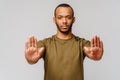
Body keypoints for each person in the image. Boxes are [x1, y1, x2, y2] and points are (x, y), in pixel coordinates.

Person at [25, 3, 104, 80]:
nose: (64, 21)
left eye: (68, 17)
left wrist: (96, 56)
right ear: (54, 20)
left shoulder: (81, 43)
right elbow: (33, 58)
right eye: (60, 17)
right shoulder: (46, 43)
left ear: (73, 19)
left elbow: (92, 52)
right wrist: (31, 59)